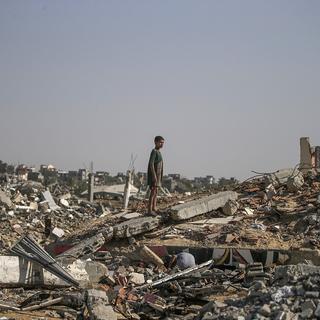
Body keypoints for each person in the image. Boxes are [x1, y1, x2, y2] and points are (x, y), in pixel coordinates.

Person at [147, 135, 165, 215]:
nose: (162, 144)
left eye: (163, 143)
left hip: (158, 176)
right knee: (153, 192)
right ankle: (150, 210)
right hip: (154, 176)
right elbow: (151, 164)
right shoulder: (154, 151)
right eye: (160, 142)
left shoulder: (159, 152)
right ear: (155, 142)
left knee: (156, 191)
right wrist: (154, 176)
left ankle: (154, 207)